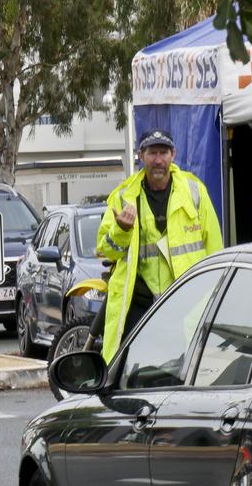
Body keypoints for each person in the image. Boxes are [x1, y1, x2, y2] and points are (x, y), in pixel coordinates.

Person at [97, 129, 223, 363]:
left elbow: (214, 246)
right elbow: (106, 250)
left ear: (173, 154)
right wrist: (122, 230)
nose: (158, 160)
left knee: (184, 370)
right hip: (140, 305)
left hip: (186, 302)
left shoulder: (194, 191)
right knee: (133, 370)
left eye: (163, 152)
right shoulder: (123, 197)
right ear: (141, 156)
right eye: (152, 153)